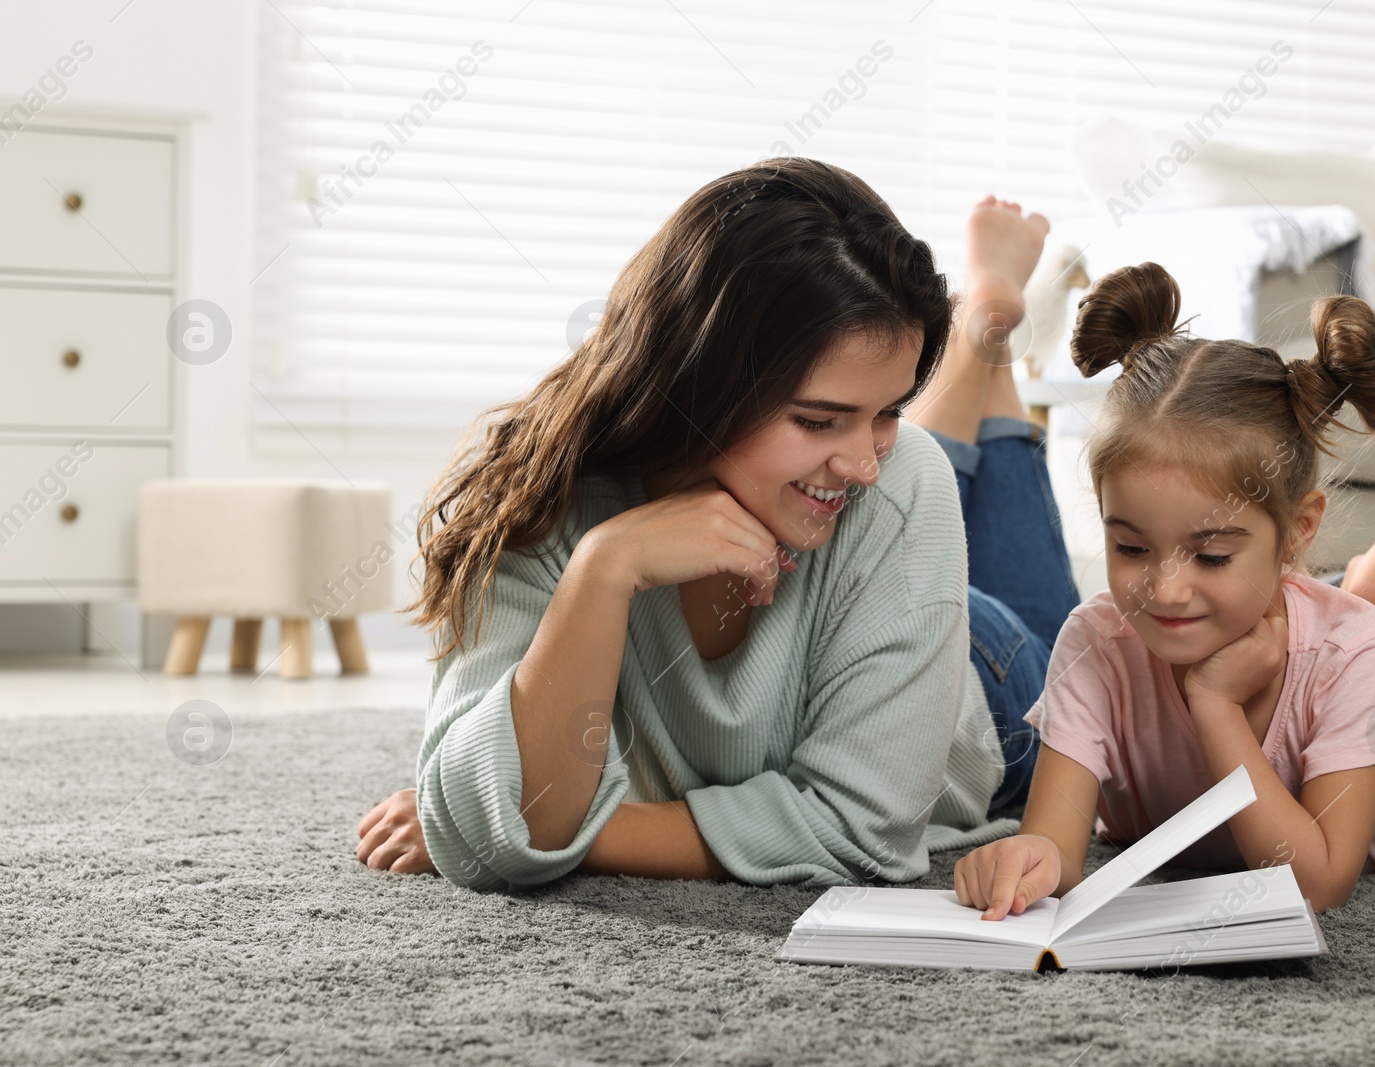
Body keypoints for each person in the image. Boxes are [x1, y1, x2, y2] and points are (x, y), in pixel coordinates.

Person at [356, 159, 1067, 886]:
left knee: (924, 480)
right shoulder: (538, 492)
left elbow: (860, 831)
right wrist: (603, 569)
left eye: (889, 407)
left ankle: (983, 328)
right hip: (865, 587)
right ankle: (982, 326)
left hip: (993, 670)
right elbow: (497, 819)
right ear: (700, 381)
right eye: (818, 418)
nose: (864, 460)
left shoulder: (896, 481)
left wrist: (555, 830)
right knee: (891, 470)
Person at [951, 261, 1375, 921]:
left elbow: (1318, 883)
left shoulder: (1354, 658)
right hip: (1319, 636)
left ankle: (1364, 602)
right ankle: (1357, 594)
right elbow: (1058, 845)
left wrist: (1215, 706)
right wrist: (1028, 859)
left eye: (1211, 554)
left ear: (1297, 529)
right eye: (1131, 547)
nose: (1165, 590)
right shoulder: (1096, 641)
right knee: (1350, 633)